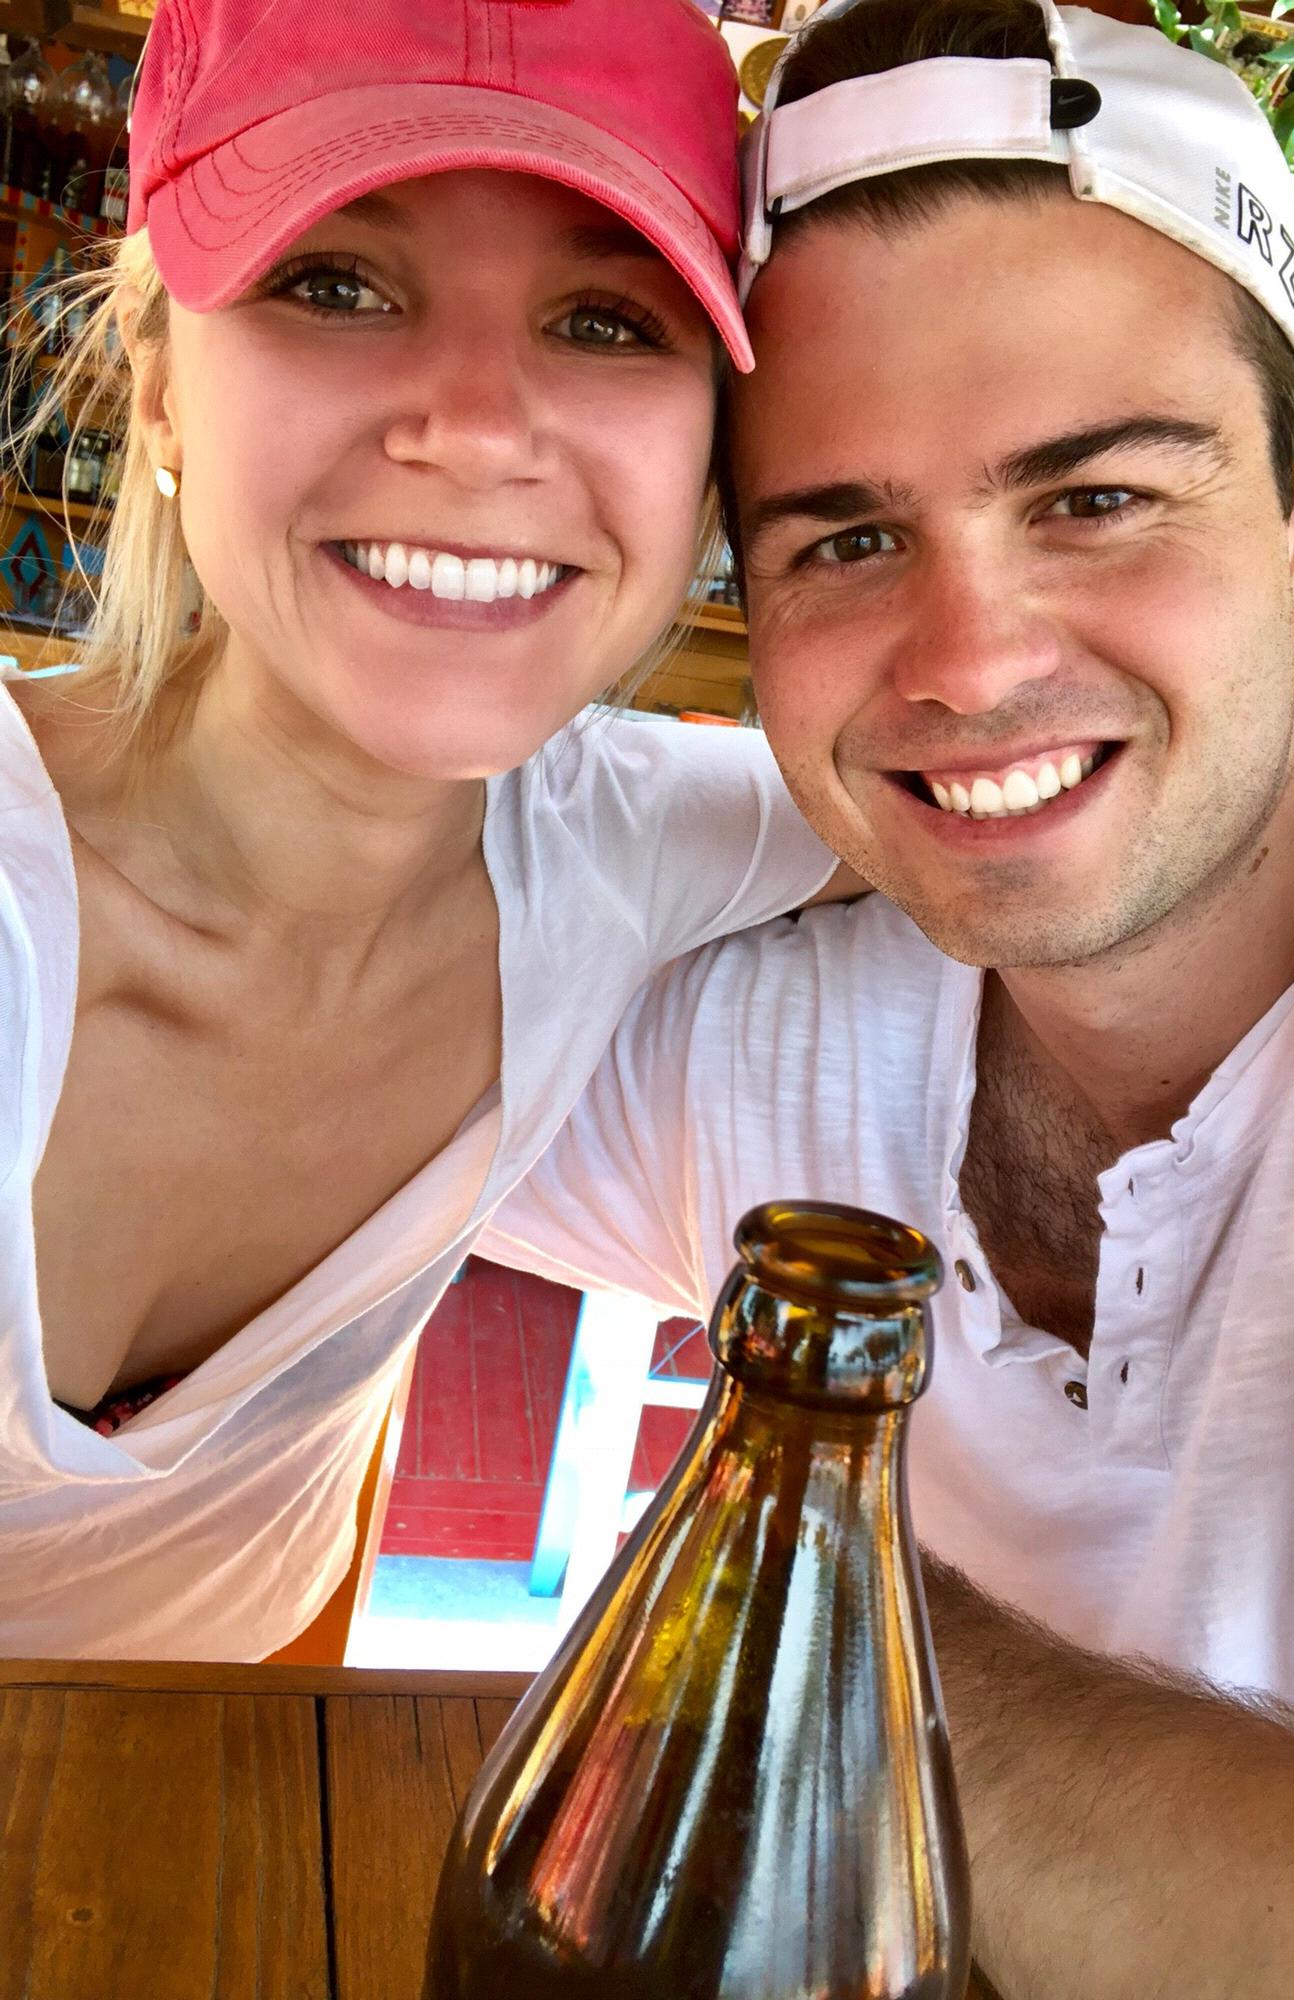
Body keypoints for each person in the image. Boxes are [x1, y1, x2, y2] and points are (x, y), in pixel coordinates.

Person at [483, 0, 1294, 1989]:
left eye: (1095, 498)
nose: (962, 659)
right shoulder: (763, 1006)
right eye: (847, 538)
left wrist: (777, 1608)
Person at [0, 0, 849, 1663]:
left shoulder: (644, 844)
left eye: (606, 321)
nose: (471, 425)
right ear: (160, 389)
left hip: (241, 1863)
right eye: (336, 286)